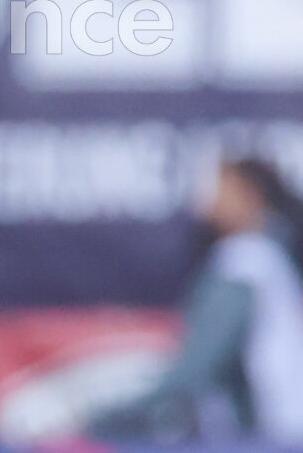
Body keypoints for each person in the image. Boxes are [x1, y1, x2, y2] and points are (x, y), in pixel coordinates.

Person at [87, 156, 303, 446]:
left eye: (220, 192)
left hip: (271, 434)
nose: (207, 205)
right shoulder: (273, 254)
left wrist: (108, 419)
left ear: (249, 196)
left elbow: (197, 368)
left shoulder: (244, 262)